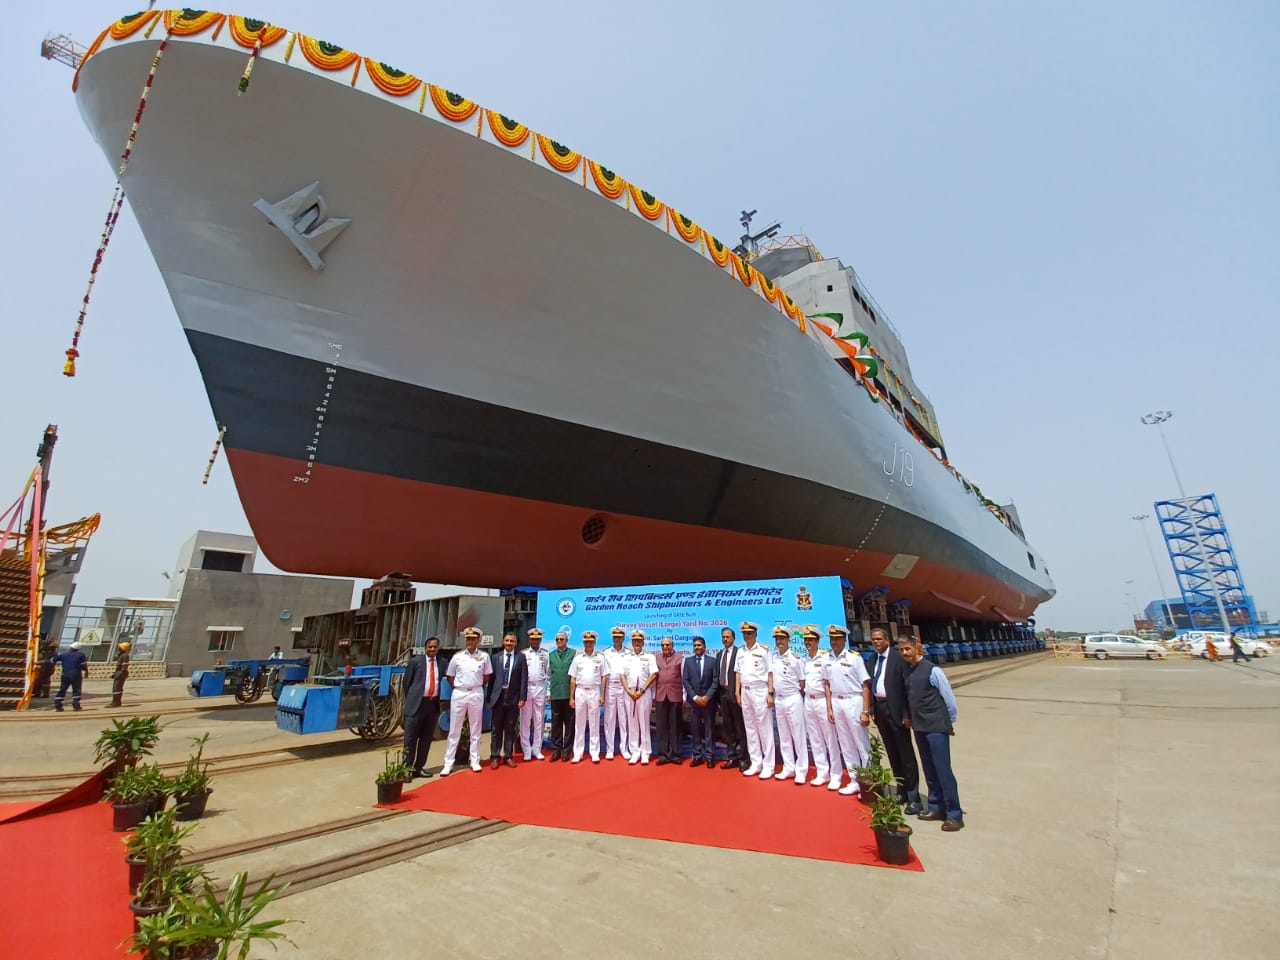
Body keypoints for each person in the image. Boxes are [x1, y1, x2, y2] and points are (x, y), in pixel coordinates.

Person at [898, 635, 964, 831]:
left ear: (917, 648)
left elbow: (948, 698)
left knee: (943, 770)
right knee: (929, 769)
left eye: (907, 649)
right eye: (901, 650)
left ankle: (954, 814)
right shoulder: (908, 672)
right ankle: (935, 806)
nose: (905, 653)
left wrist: (948, 721)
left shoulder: (933, 670)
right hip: (920, 727)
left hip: (936, 727)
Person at [868, 627, 923, 813]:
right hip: (881, 710)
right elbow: (872, 685)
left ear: (887, 640)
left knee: (906, 754)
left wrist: (907, 714)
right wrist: (872, 710)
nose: (876, 642)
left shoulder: (898, 657)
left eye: (879, 639)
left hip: (897, 711)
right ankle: (901, 791)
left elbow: (907, 686)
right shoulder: (872, 658)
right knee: (892, 752)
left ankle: (914, 796)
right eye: (873, 639)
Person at [826, 624, 872, 796]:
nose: (835, 642)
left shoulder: (854, 658)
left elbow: (865, 685)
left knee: (861, 743)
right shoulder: (827, 658)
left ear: (844, 640)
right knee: (845, 743)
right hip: (837, 701)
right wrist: (829, 707)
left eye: (838, 639)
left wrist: (865, 711)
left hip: (854, 700)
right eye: (832, 639)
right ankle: (854, 779)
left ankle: (868, 781)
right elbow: (827, 684)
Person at [440, 627, 492, 776]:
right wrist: (459, 686)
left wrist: (476, 685)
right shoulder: (457, 657)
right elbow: (450, 676)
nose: (470, 641)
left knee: (476, 728)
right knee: (454, 729)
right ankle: (448, 763)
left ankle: (474, 760)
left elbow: (487, 675)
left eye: (473, 639)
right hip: (460, 692)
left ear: (478, 640)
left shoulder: (484, 656)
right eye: (468, 639)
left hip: (476, 692)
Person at [735, 621, 775, 779]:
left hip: (760, 690)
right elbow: (737, 672)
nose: (747, 636)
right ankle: (756, 762)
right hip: (745, 691)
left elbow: (770, 672)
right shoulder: (741, 651)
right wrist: (737, 692)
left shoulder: (764, 650)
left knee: (764, 729)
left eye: (749, 633)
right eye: (744, 634)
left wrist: (770, 692)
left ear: (756, 634)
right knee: (750, 729)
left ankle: (769, 765)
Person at [403, 636, 445, 778]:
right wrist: (412, 700)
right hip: (417, 704)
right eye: (430, 647)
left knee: (426, 739)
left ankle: (419, 767)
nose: (432, 649)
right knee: (410, 738)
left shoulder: (442, 662)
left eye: (435, 647)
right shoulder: (415, 662)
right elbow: (406, 683)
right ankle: (406, 769)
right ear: (425, 647)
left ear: (438, 648)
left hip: (432, 705)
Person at [770, 626, 807, 784]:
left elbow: (802, 681)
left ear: (788, 640)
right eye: (777, 639)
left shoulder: (795, 658)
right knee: (784, 735)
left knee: (798, 735)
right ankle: (788, 767)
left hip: (793, 698)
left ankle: (801, 769)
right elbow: (771, 676)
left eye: (782, 639)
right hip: (779, 699)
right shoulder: (774, 657)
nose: (779, 641)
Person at [800, 625, 835, 788]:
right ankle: (823, 772)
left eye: (811, 640)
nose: (808, 643)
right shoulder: (803, 660)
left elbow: (829, 683)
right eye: (806, 640)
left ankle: (835, 774)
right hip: (809, 700)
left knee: (830, 739)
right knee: (815, 739)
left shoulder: (825, 658)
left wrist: (829, 707)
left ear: (818, 641)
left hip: (822, 700)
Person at [487, 633, 528, 769]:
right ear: (503, 642)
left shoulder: (521, 658)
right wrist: (489, 699)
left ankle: (508, 756)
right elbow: (492, 680)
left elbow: (523, 679)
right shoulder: (495, 657)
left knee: (510, 728)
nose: (509, 643)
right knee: (496, 728)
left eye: (512, 641)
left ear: (516, 643)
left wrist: (522, 697)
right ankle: (494, 756)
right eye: (507, 640)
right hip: (498, 697)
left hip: (513, 697)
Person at [568, 631, 606, 763]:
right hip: (580, 692)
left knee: (594, 723)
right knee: (579, 723)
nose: (588, 644)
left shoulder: (600, 658)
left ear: (594, 643)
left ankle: (594, 752)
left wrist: (603, 695)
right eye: (586, 642)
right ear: (583, 643)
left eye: (591, 642)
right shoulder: (578, 658)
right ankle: (578, 752)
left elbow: (604, 677)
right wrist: (571, 697)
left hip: (594, 691)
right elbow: (573, 678)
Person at [682, 636, 718, 767]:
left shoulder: (712, 661)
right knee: (695, 730)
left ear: (704, 647)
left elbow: (715, 680)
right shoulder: (688, 661)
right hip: (694, 702)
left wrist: (707, 697)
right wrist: (695, 697)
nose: (696, 647)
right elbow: (685, 680)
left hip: (708, 701)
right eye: (695, 645)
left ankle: (710, 756)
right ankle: (697, 755)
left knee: (709, 730)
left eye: (699, 645)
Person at [716, 626, 748, 770]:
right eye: (723, 637)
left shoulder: (739, 653)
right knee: (727, 727)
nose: (725, 639)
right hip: (723, 694)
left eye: (728, 636)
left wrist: (738, 693)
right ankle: (731, 757)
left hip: (736, 694)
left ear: (734, 638)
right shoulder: (719, 654)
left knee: (739, 726)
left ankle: (743, 758)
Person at [623, 630, 658, 764]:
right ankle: (634, 752)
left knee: (644, 723)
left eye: (639, 641)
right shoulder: (626, 657)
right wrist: (629, 691)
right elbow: (622, 676)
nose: (637, 643)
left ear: (643, 642)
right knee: (632, 724)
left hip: (644, 694)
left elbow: (653, 675)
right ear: (632, 643)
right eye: (634, 641)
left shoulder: (649, 657)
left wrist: (642, 690)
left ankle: (645, 752)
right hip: (630, 694)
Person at [601, 626, 633, 760]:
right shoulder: (606, 653)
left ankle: (624, 748)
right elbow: (603, 673)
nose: (617, 639)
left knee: (623, 719)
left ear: (623, 638)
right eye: (615, 637)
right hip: (610, 688)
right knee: (609, 719)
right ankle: (609, 749)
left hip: (624, 688)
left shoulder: (628, 653)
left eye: (619, 637)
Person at [652, 636, 684, 765]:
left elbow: (683, 677)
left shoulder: (680, 657)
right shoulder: (656, 658)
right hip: (660, 695)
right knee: (661, 726)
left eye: (668, 645)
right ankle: (663, 754)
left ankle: (676, 754)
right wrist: (654, 695)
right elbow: (653, 677)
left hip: (675, 695)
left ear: (672, 645)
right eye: (663, 645)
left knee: (675, 725)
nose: (665, 647)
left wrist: (685, 696)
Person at [520, 628, 551, 760]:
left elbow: (548, 674)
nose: (535, 641)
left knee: (539, 719)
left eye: (537, 639)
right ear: (529, 639)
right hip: (527, 688)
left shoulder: (545, 654)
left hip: (540, 687)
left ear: (540, 640)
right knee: (525, 720)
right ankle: (526, 749)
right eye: (533, 639)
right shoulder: (523, 654)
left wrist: (548, 691)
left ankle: (537, 748)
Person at [547, 631, 576, 761]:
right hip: (556, 693)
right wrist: (548, 692)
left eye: (562, 639)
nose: (559, 641)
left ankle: (567, 749)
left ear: (566, 640)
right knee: (556, 723)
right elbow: (548, 676)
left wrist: (573, 696)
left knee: (569, 723)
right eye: (557, 639)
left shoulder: (574, 654)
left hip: (568, 694)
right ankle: (556, 749)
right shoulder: (551, 655)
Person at [53, 641, 89, 711]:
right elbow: (84, 665)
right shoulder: (81, 655)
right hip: (76, 675)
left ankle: (58, 705)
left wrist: (42, 661)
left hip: (65, 675)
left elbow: (53, 660)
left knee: (62, 689)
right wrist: (86, 672)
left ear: (70, 647)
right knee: (76, 689)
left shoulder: (64, 655)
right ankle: (76, 705)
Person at [110, 641, 131, 708]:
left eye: (120, 647)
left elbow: (124, 667)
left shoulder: (125, 656)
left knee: (117, 688)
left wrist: (120, 673)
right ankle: (115, 701)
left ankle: (116, 702)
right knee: (116, 688)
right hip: (119, 673)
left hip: (121, 674)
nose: (118, 649)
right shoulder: (122, 655)